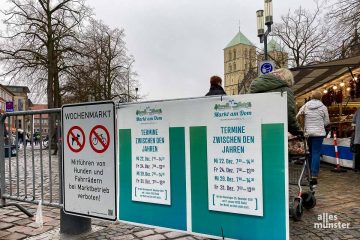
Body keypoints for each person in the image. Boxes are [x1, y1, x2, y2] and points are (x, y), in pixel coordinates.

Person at [249, 68, 302, 136]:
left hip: (255, 130)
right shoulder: (285, 90)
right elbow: (288, 113)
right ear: (288, 79)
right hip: (275, 130)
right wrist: (297, 130)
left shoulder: (255, 86)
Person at [296, 91, 330, 186]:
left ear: (311, 97)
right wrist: (320, 125)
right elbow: (327, 122)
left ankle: (308, 173)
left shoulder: (306, 106)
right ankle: (314, 175)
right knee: (316, 153)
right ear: (320, 98)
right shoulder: (323, 107)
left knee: (309, 152)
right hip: (319, 134)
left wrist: (303, 125)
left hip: (308, 133)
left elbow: (297, 116)